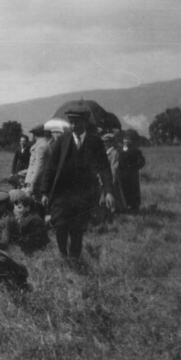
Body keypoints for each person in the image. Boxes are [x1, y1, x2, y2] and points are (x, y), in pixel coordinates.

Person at [38, 104, 114, 261]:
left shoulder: (95, 142)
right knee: (60, 225)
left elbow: (105, 168)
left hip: (83, 194)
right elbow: (50, 168)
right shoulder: (62, 141)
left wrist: (108, 191)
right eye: (71, 122)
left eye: (77, 122)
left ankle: (74, 257)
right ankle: (63, 254)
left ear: (85, 122)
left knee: (77, 228)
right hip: (62, 193)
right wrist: (45, 192)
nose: (73, 126)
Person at [119, 134, 146, 212]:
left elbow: (141, 162)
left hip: (132, 175)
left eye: (128, 139)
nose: (126, 141)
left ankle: (134, 207)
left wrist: (133, 168)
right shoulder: (119, 150)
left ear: (132, 141)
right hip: (122, 174)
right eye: (125, 139)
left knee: (133, 190)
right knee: (123, 189)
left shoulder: (136, 151)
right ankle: (124, 206)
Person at [102, 133, 127, 214]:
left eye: (107, 142)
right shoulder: (105, 152)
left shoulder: (114, 153)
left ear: (112, 142)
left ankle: (115, 210)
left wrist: (113, 179)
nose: (105, 143)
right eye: (103, 142)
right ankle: (108, 208)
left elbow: (114, 167)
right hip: (105, 177)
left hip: (113, 176)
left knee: (115, 193)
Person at [24, 125, 51, 198]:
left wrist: (32, 185)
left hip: (37, 182)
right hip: (37, 181)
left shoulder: (40, 146)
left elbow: (39, 168)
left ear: (34, 134)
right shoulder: (42, 144)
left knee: (36, 203)